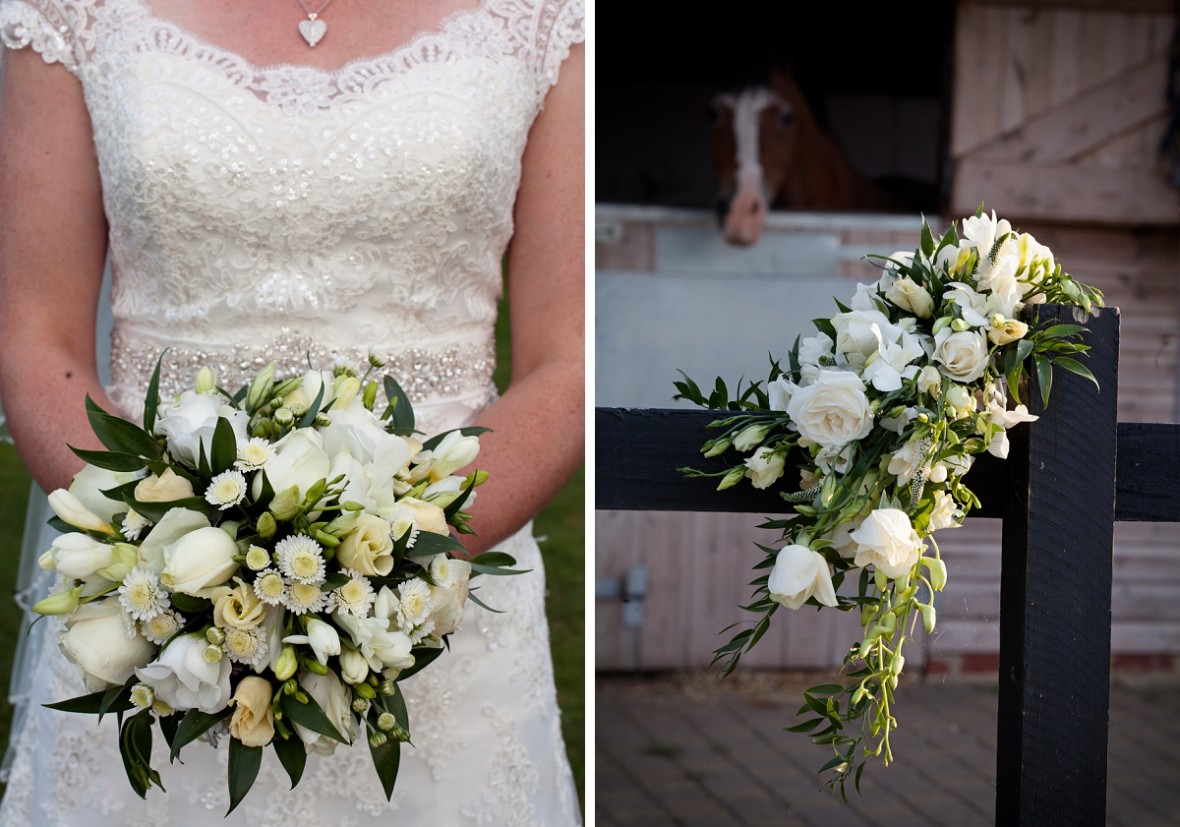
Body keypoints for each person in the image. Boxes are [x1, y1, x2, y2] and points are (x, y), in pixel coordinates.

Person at [0, 0, 584, 823]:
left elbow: (570, 360)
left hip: (438, 618)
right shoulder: (69, 12)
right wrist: (180, 569)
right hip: (157, 614)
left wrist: (378, 569)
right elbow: (36, 340)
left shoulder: (548, 15)